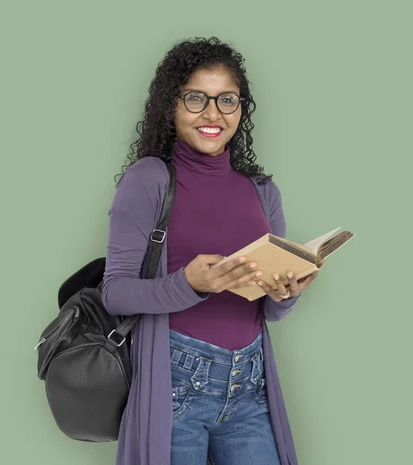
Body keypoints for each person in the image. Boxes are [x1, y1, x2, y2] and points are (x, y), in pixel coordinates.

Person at [102, 37, 318, 465]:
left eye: (227, 100)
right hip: (178, 385)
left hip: (249, 386)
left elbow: (269, 310)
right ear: (172, 105)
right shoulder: (149, 179)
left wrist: (287, 294)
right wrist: (188, 284)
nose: (213, 114)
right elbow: (115, 291)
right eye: (197, 98)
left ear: (242, 109)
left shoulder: (262, 191)